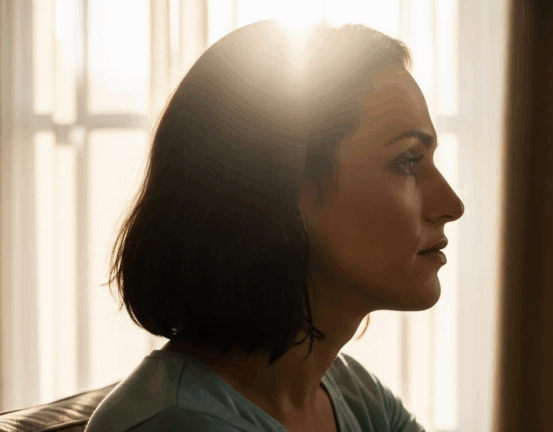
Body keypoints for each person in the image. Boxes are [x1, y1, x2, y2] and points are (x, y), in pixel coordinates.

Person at [85, 18, 463, 432]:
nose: (452, 205)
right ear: (285, 188)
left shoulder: (359, 397)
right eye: (408, 160)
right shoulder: (178, 424)